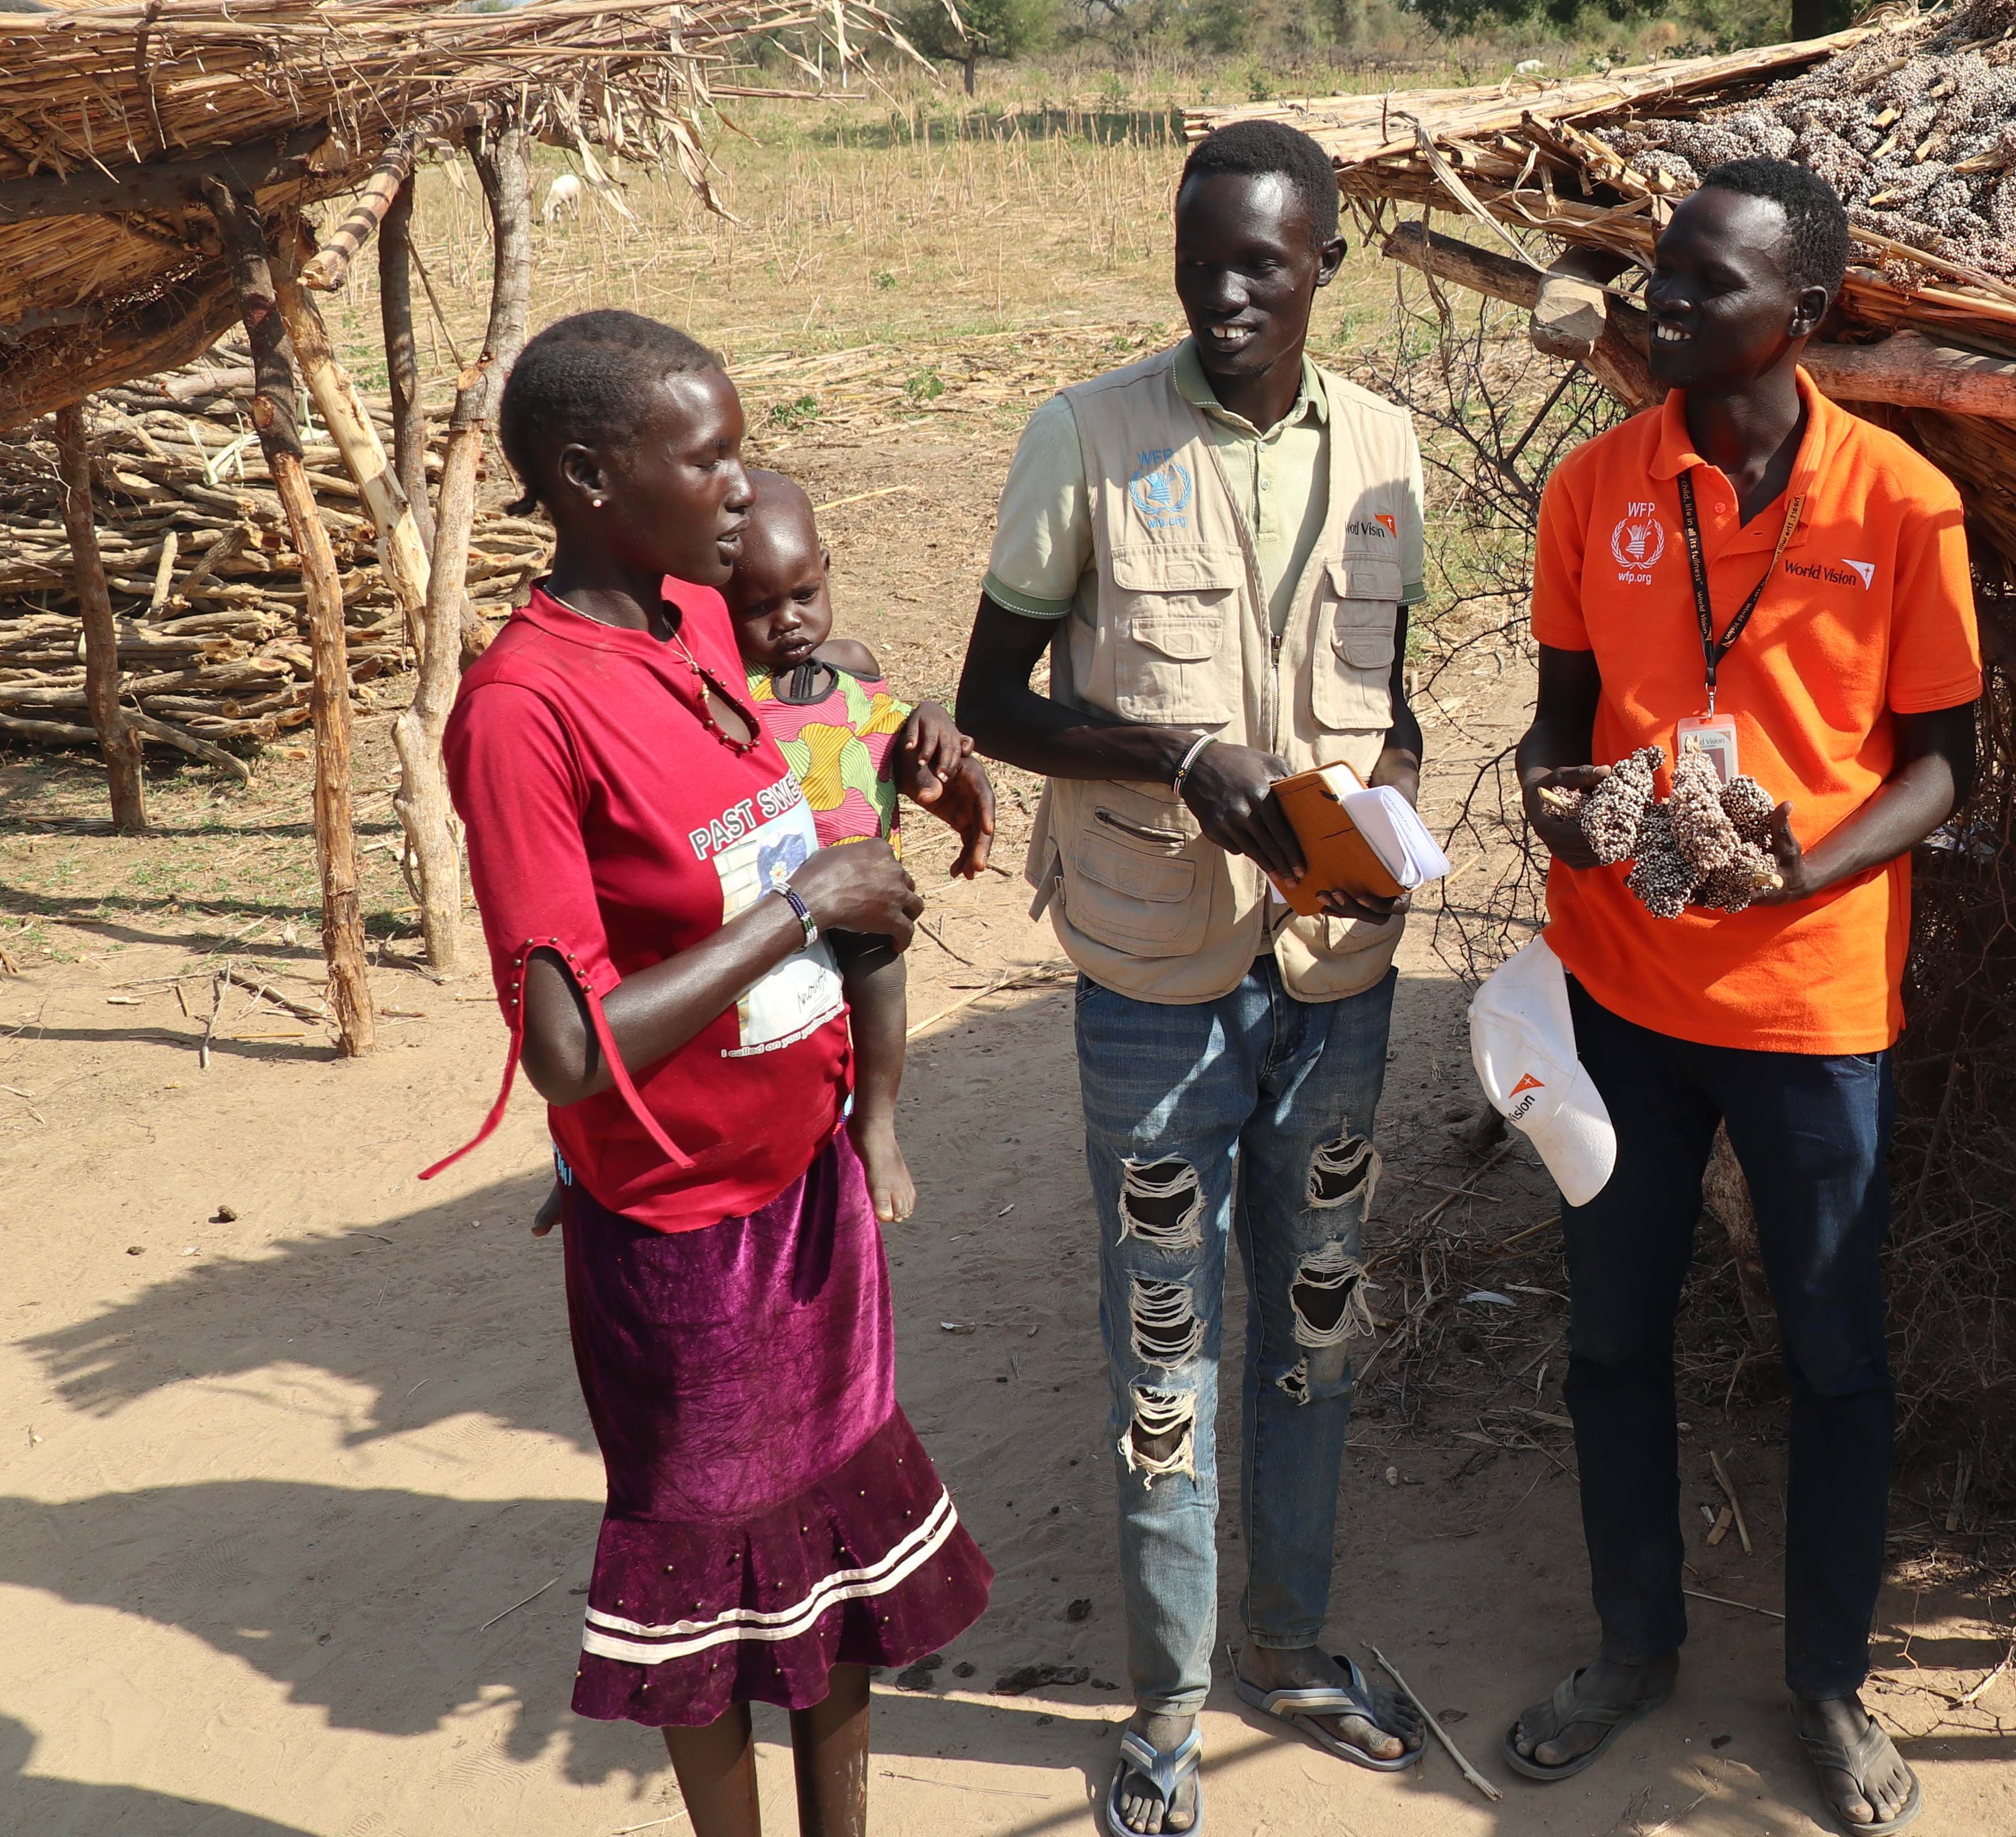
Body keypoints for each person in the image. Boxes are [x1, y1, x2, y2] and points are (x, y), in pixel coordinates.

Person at [428, 308, 991, 1837]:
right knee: (712, 1607)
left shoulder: (685, 621)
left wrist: (902, 744)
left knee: (828, 1574)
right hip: (686, 1238)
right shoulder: (526, 713)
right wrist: (804, 908)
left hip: (810, 1186)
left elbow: (826, 688)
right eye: (710, 457)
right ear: (591, 473)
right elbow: (564, 1046)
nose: (740, 486)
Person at [955, 119, 1428, 1836]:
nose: (1223, 295)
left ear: (1325, 266)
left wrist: (1393, 817)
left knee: (1317, 1323)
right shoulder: (1086, 438)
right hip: (1154, 976)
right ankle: (1164, 1704)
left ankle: (1293, 1651)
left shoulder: (1386, 447)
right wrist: (1183, 760)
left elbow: (1392, 699)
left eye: (1260, 264)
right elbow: (995, 703)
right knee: (1165, 1344)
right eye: (1197, 255)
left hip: (1339, 976)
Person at [1509, 158, 1978, 1832]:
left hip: (1810, 1007)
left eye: (1708, 285)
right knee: (1616, 1340)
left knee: (1833, 1357)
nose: (1665, 309)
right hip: (1625, 993)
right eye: (1661, 279)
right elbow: (1557, 719)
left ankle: (1828, 1685)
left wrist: (1804, 873)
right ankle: (1634, 1645)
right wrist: (1561, 803)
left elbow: (1941, 770)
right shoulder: (1596, 490)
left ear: (1810, 315)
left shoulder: (1902, 505)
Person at [726, 467, 1000, 1223]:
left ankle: (876, 1124)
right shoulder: (727, 693)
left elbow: (897, 721)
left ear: (827, 570)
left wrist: (936, 714)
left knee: (881, 988)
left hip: (870, 894)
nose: (787, 621)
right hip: (772, 903)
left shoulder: (852, 666)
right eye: (757, 607)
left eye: (804, 594)